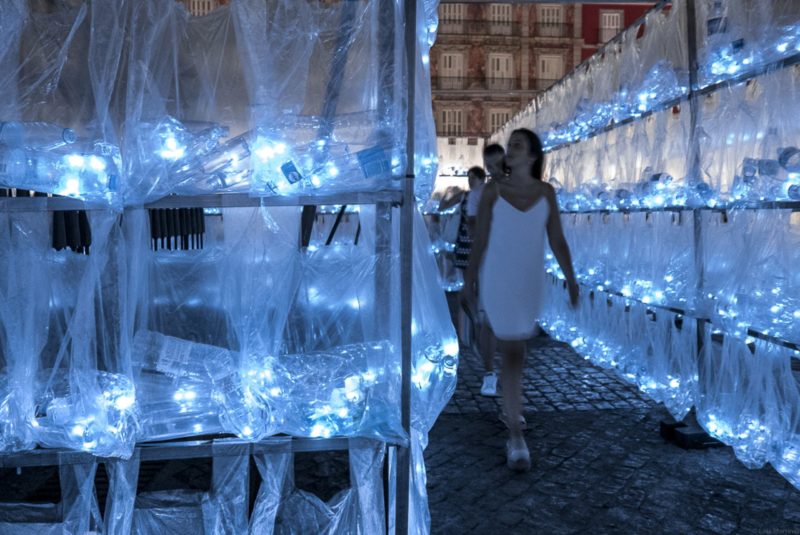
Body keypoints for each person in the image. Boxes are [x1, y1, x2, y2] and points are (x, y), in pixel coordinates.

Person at [462, 128, 579, 471]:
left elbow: (557, 239)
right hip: (498, 278)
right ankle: (515, 434)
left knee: (517, 355)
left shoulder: (546, 193)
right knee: (511, 353)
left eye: (517, 145)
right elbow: (479, 239)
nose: (509, 149)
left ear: (532, 155)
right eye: (510, 144)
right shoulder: (492, 191)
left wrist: (571, 278)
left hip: (529, 280)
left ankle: (512, 416)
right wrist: (469, 281)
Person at [439, 167, 486, 346]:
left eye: (474, 178)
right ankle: (471, 325)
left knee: (481, 286)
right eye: (469, 177)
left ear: (482, 179)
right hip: (465, 245)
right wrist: (447, 194)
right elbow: (443, 206)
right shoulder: (465, 196)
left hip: (481, 245)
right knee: (468, 286)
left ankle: (478, 325)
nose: (470, 181)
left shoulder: (487, 196)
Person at [475, 144, 506, 397]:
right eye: (489, 166)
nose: (493, 170)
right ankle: (489, 372)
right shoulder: (484, 192)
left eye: (497, 164)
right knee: (489, 322)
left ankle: (508, 373)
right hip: (491, 260)